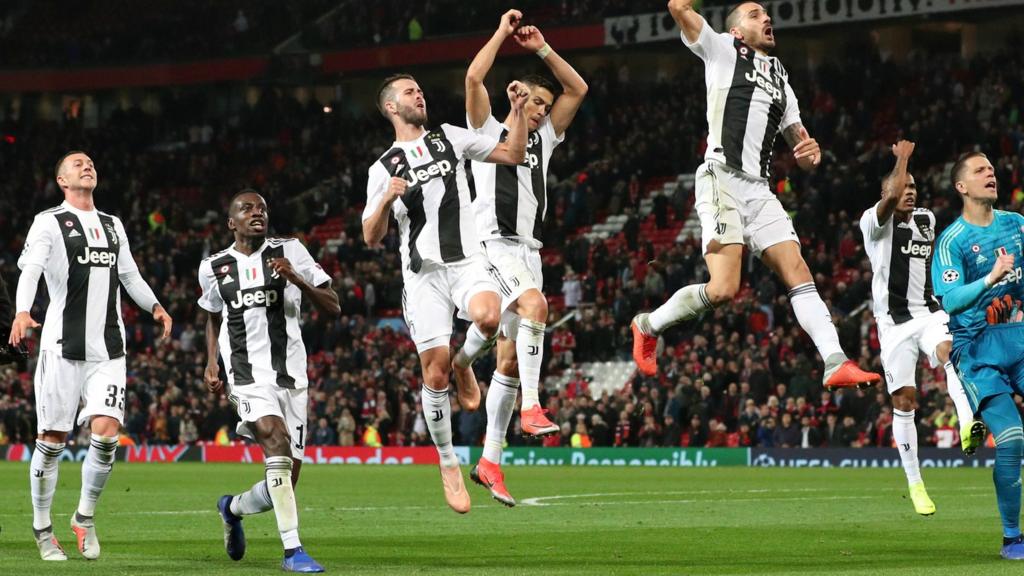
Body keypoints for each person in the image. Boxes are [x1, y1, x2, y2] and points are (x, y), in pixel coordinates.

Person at [631, 0, 880, 391]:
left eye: (767, 14)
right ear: (735, 31)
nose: (767, 18)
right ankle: (647, 325)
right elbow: (678, 6)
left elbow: (802, 142)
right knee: (724, 289)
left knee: (797, 269)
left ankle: (835, 361)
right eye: (755, 15)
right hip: (721, 177)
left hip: (760, 190)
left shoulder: (781, 76)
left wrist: (811, 154)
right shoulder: (720, 49)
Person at [363, 73, 528, 513]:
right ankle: (448, 461)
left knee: (491, 318)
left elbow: (513, 152)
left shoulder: (450, 137)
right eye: (409, 91)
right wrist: (383, 201)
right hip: (423, 277)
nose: (420, 93)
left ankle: (464, 361)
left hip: (467, 261)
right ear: (391, 108)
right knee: (431, 376)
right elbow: (370, 235)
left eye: (421, 88)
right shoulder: (382, 168)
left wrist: (515, 111)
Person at [9, 151, 173, 561]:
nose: (87, 166)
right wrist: (22, 310)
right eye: (77, 163)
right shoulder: (49, 221)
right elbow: (31, 268)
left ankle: (83, 518)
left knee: (106, 433)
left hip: (108, 349)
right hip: (62, 347)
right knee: (52, 440)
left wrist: (155, 306)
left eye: (91, 163)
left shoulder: (113, 225)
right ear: (62, 180)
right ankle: (43, 529)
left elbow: (129, 274)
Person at [464, 9, 588, 506]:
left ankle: (490, 461)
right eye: (535, 102)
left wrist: (541, 49)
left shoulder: (545, 138)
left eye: (544, 106)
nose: (539, 111)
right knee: (537, 308)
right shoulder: (487, 128)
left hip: (529, 251)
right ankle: (533, 409)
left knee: (511, 360)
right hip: (493, 243)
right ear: (516, 92)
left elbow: (577, 90)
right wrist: (500, 32)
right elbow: (474, 77)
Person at [201, 190, 339, 572]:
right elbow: (212, 315)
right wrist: (212, 363)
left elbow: (334, 307)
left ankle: (231, 508)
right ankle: (293, 550)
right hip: (246, 377)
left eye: (262, 208)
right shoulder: (214, 266)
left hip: (292, 377)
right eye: (247, 208)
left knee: (285, 483)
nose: (257, 213)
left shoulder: (291, 251)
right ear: (232, 222)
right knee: (274, 441)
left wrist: (296, 278)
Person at [859, 140, 984, 516]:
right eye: (903, 188)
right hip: (893, 323)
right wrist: (901, 159)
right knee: (905, 401)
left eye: (914, 188)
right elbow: (888, 201)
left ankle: (967, 422)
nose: (910, 193)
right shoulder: (873, 223)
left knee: (951, 352)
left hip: (928, 313)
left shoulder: (927, 220)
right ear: (888, 193)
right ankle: (915, 484)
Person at [932, 151, 1024, 559]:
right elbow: (950, 300)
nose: (991, 173)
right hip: (977, 350)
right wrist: (990, 277)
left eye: (992, 167)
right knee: (1012, 438)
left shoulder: (1017, 226)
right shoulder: (952, 241)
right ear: (961, 187)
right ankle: (1012, 538)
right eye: (979, 170)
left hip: (1020, 338)